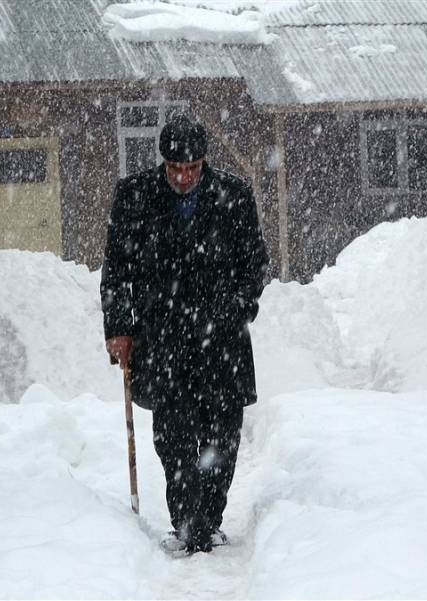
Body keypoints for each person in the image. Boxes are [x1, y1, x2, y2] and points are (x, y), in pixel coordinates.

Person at [100, 114, 268, 555]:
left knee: (220, 437)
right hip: (164, 338)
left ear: (204, 162)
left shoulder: (233, 195)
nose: (183, 176)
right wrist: (119, 326)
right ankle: (188, 522)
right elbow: (117, 268)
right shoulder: (136, 197)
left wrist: (238, 307)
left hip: (221, 341)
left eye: (191, 168)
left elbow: (254, 264)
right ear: (164, 162)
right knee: (173, 436)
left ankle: (208, 518)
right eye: (175, 168)